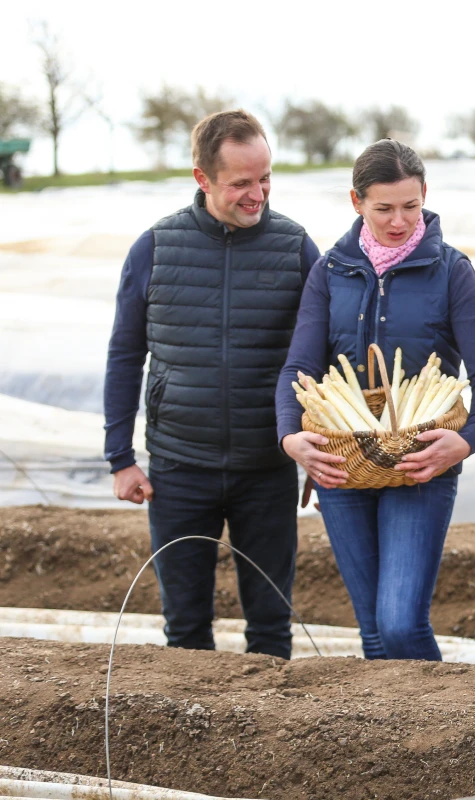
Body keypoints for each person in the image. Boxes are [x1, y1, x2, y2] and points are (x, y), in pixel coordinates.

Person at [276, 139, 475, 661]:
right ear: (355, 202)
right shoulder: (330, 269)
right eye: (383, 208)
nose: (399, 221)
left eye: (410, 205)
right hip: (342, 466)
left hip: (420, 463)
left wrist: (463, 443)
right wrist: (292, 437)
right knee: (373, 632)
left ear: (425, 194)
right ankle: (402, 739)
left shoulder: (452, 270)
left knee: (400, 624)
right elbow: (298, 368)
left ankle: (441, 727)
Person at [104, 110, 320, 659]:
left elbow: (321, 358)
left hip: (266, 468)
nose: (258, 194)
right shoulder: (154, 248)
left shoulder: (296, 248)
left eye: (266, 177)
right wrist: (119, 458)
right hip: (179, 468)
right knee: (184, 632)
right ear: (202, 179)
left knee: (272, 630)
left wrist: (324, 443)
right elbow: (125, 354)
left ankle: (270, 741)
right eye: (241, 183)